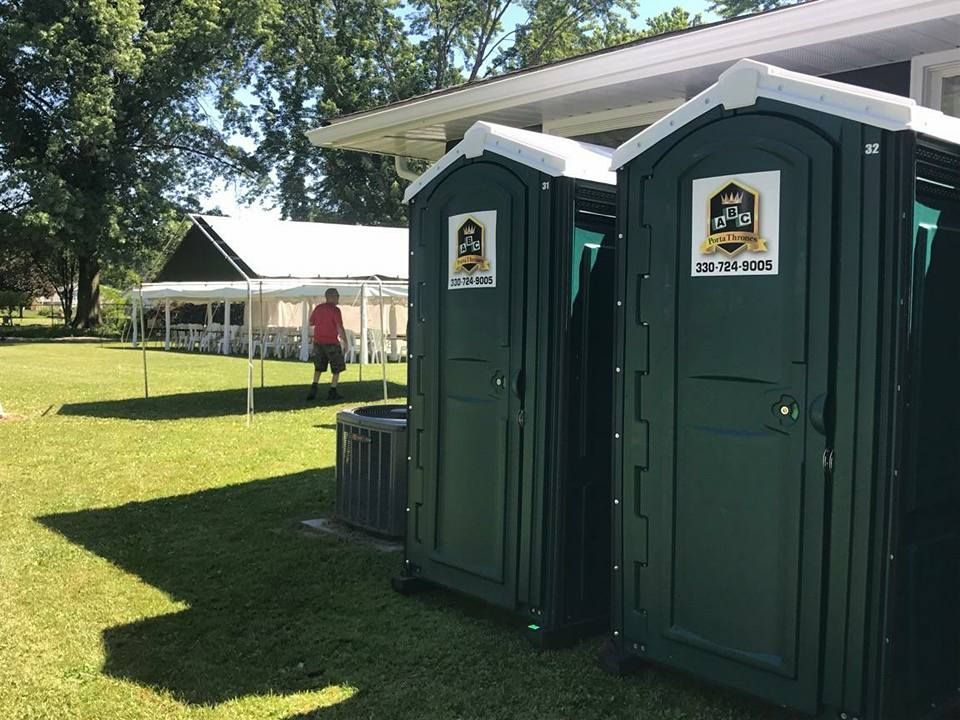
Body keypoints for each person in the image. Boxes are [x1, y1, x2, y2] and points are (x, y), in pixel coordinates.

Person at [307, 288, 348, 401]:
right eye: (337, 296)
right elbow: (340, 327)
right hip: (331, 343)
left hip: (318, 342)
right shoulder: (335, 310)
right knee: (337, 367)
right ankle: (332, 390)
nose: (338, 298)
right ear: (330, 297)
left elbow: (311, 322)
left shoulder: (318, 308)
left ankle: (314, 387)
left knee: (319, 367)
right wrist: (345, 341)